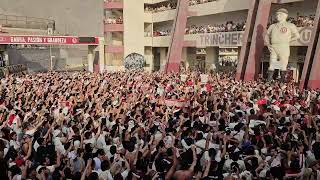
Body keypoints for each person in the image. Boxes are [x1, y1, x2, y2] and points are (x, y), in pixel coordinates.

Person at [265, 8, 300, 82]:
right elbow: (266, 36)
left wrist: (288, 41)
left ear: (285, 15)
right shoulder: (272, 26)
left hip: (284, 46)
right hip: (274, 46)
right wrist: (268, 45)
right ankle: (268, 81)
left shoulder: (290, 25)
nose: (277, 16)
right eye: (277, 14)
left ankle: (282, 82)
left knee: (283, 65)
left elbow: (297, 36)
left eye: (280, 14)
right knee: (271, 64)